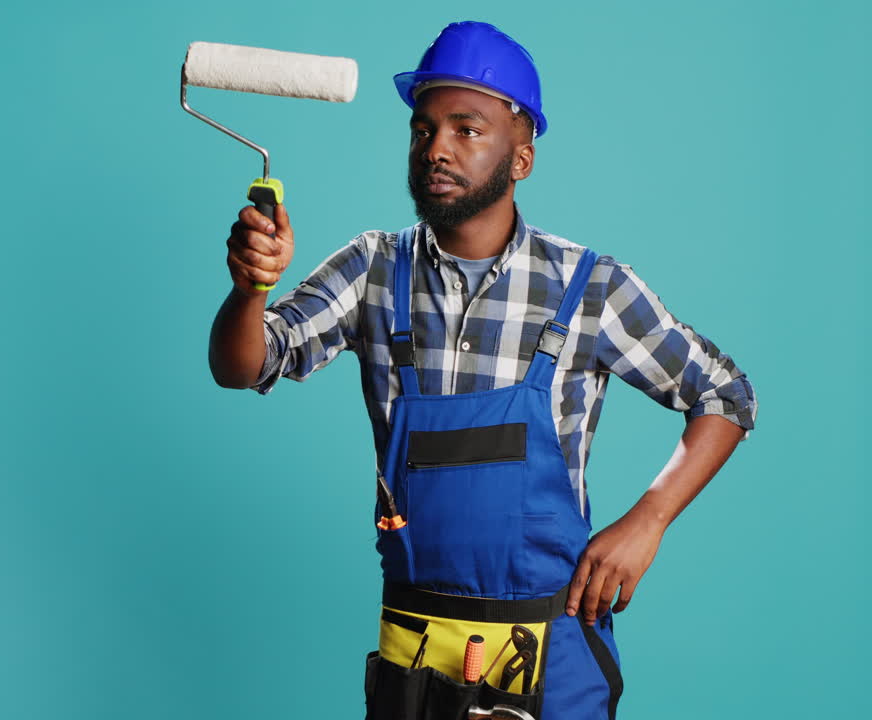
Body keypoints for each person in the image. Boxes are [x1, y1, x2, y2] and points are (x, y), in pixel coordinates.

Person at [208, 21, 756, 720]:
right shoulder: (375, 268)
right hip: (418, 654)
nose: (436, 148)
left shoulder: (587, 287)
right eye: (424, 129)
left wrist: (647, 522)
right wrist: (250, 288)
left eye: (467, 130)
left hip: (549, 651)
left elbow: (726, 394)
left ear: (521, 157)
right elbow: (248, 363)